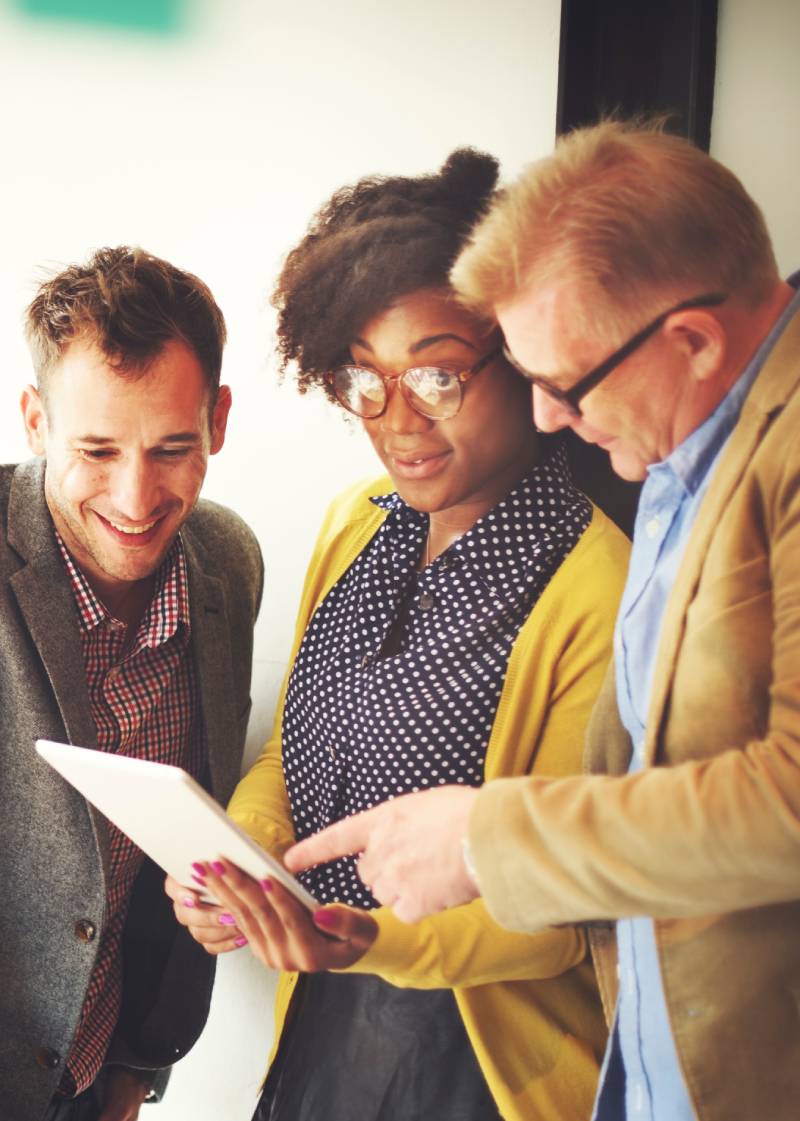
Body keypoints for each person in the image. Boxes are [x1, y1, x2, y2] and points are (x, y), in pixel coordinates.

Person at [286, 119, 800, 1121]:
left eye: (563, 384)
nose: (551, 415)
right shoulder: (671, 453)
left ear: (690, 341)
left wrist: (485, 836)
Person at [167, 149, 629, 1121]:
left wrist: (366, 937)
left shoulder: (593, 582)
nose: (395, 421)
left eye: (436, 376)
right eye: (362, 381)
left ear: (519, 353)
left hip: (478, 1062)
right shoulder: (356, 520)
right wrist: (237, 858)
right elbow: (300, 751)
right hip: (321, 1023)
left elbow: (560, 912)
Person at [1, 246, 263, 1121]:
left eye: (173, 448)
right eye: (97, 449)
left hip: (97, 1083)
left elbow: (184, 831)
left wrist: (136, 1071)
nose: (137, 495)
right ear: (35, 420)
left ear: (218, 419)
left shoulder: (228, 562)